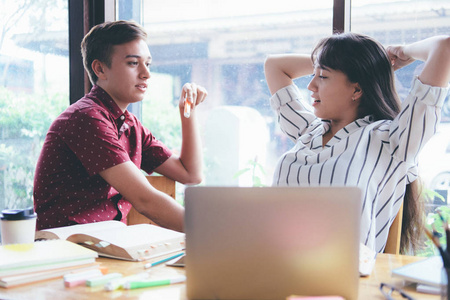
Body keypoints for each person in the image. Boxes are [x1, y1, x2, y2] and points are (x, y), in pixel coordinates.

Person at [264, 33, 450, 253]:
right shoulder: (307, 130)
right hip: (276, 265)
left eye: (322, 76)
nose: (311, 86)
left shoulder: (391, 139)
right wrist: (338, 62)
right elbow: (274, 65)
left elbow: (444, 47)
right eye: (314, 75)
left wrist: (402, 53)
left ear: (357, 89)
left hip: (344, 280)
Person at [33, 20, 207, 232]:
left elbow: (190, 174)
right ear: (100, 69)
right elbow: (145, 200)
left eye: (148, 64)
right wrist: (209, 234)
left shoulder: (129, 124)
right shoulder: (86, 118)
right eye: (133, 63)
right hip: (69, 249)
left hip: (107, 244)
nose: (146, 74)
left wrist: (188, 111)